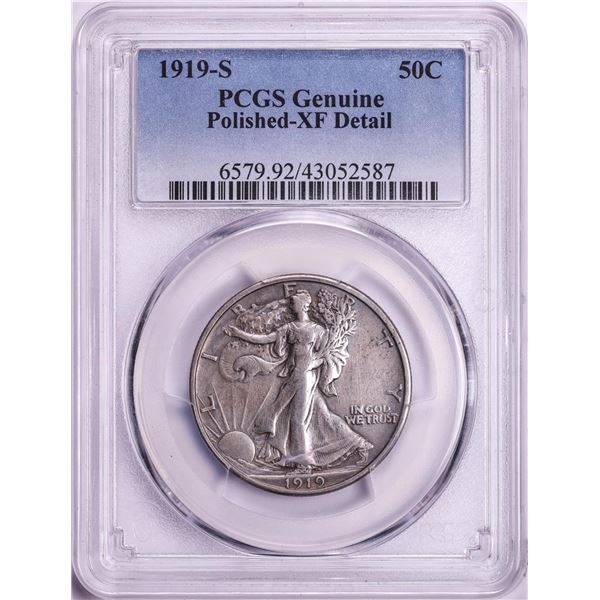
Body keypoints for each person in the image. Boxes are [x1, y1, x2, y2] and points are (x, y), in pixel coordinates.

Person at [224, 289, 372, 472]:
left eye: (294, 303)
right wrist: (239, 333)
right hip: (295, 376)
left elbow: (327, 355)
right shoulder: (289, 328)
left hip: (306, 377)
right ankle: (360, 444)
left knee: (298, 420)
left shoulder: (317, 330)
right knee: (321, 417)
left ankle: (304, 463)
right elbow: (265, 339)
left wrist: (312, 364)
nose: (292, 306)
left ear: (303, 305)